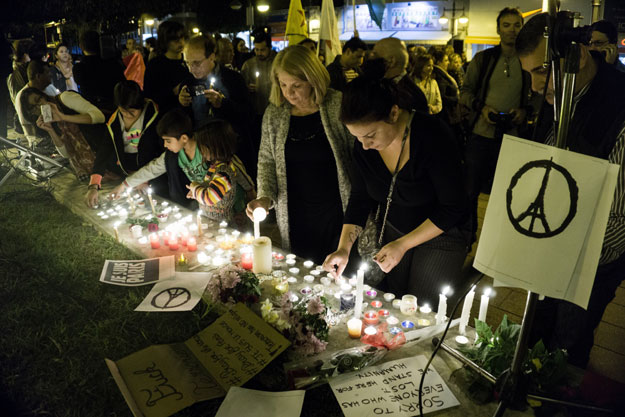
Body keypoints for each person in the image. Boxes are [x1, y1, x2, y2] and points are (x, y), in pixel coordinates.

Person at [517, 13, 625, 368]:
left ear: (578, 55)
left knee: (569, 338)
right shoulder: (558, 94)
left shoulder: (618, 105)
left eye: (540, 71)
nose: (534, 86)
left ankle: (560, 396)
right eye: (528, 73)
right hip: (552, 241)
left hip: (594, 257)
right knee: (534, 327)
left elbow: (619, 222)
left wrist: (570, 252)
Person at [322, 75, 470, 307]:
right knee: (396, 301)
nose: (365, 145)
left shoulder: (433, 136)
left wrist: (403, 245)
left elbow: (453, 207)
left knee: (421, 307)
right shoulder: (364, 147)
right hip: (395, 228)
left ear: (393, 113)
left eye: (370, 135)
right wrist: (343, 248)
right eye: (357, 137)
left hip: (442, 233)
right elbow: (360, 197)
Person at [246, 45, 354, 265]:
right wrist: (265, 197)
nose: (288, 92)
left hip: (336, 209)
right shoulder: (275, 112)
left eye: (297, 85)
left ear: (313, 79)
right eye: (283, 84)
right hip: (295, 211)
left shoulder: (338, 104)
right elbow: (266, 161)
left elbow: (356, 157)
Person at [460, 7, 531, 240]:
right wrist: (482, 109)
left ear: (522, 28)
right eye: (507, 25)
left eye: (516, 25)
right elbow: (465, 91)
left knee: (509, 191)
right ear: (499, 29)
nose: (512, 30)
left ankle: (501, 239)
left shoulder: (528, 60)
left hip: (513, 137)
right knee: (470, 190)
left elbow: (541, 94)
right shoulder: (484, 59)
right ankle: (467, 236)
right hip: (481, 133)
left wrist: (524, 111)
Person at [108, 110, 255, 217]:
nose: (165, 145)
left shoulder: (208, 148)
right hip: (207, 203)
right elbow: (152, 169)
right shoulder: (173, 156)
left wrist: (250, 190)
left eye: (168, 141)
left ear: (183, 138)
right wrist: (124, 185)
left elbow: (233, 164)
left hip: (230, 204)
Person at [178, 35, 255, 178]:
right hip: (202, 157)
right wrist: (182, 104)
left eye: (197, 63)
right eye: (187, 63)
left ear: (212, 57)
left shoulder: (233, 79)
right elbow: (184, 120)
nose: (191, 69)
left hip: (233, 152)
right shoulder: (188, 82)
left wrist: (223, 104)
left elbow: (248, 114)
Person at [86, 80, 164, 208]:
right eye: (123, 111)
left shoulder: (154, 116)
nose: (127, 115)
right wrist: (94, 185)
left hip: (152, 169)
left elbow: (159, 154)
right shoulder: (114, 122)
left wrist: (143, 179)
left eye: (132, 112)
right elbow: (104, 151)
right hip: (126, 169)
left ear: (141, 104)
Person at [19, 87, 101, 180]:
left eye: (38, 100)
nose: (39, 106)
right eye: (33, 108)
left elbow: (99, 116)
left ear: (44, 96)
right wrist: (50, 130)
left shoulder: (65, 98)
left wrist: (63, 117)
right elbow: (66, 154)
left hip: (104, 144)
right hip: (94, 163)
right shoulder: (51, 120)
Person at [371, 37, 428, 113]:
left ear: (391, 61)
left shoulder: (410, 95)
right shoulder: (377, 84)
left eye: (375, 55)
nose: (371, 58)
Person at [73, 31, 126, 113]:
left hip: (91, 110)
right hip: (114, 108)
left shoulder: (79, 68)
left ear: (81, 46)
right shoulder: (113, 63)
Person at [143, 21, 188, 114]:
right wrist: (173, 91)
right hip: (167, 116)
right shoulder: (155, 65)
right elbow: (149, 95)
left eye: (182, 37)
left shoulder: (189, 62)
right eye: (175, 39)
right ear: (165, 41)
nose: (180, 42)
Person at [14, 60, 61, 146]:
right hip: (44, 142)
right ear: (38, 76)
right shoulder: (22, 97)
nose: (51, 75)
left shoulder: (50, 88)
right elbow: (26, 124)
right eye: (47, 72)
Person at [241, 30, 276, 117]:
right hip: (256, 111)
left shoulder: (277, 62)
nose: (259, 53)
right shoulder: (248, 65)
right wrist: (247, 88)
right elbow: (241, 87)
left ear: (269, 48)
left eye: (262, 50)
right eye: (256, 49)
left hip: (275, 110)